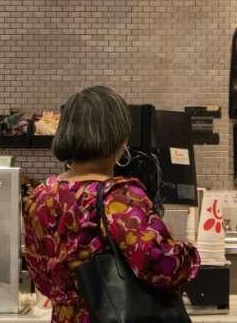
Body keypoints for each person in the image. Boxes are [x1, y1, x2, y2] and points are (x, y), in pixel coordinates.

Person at [24, 86, 200, 323]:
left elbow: (40, 274)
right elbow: (161, 265)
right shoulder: (120, 196)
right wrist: (188, 252)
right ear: (119, 138)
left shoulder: (40, 195)